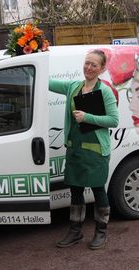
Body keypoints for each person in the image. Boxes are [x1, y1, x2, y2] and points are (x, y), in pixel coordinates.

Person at [49, 49, 119, 250]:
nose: (88, 67)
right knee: (76, 190)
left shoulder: (104, 90)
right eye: (87, 63)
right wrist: (28, 58)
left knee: (98, 190)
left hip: (96, 150)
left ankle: (101, 231)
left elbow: (114, 120)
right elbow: (46, 82)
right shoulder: (73, 86)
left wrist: (87, 117)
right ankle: (75, 231)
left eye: (94, 65)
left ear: (102, 69)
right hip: (75, 148)